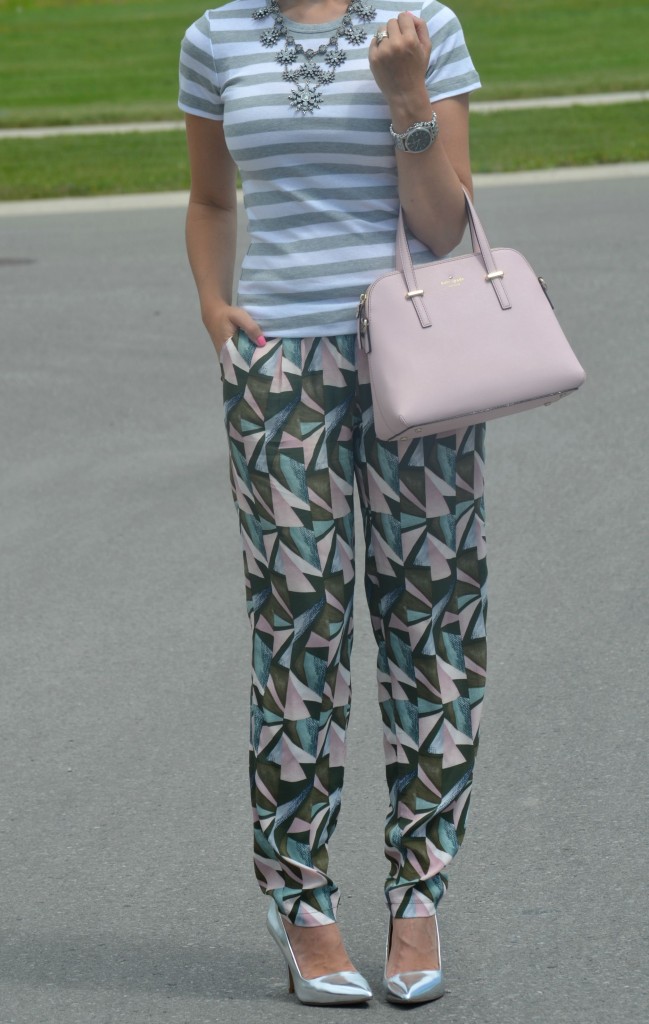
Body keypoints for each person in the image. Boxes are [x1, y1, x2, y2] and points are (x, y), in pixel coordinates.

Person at [179, 0, 486, 1006]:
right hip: (278, 373)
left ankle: (417, 898)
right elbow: (213, 198)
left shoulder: (421, 24)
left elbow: (444, 223)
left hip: (418, 352)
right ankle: (302, 902)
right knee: (298, 632)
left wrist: (405, 95)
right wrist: (215, 310)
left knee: (429, 624)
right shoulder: (212, 38)